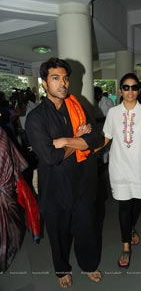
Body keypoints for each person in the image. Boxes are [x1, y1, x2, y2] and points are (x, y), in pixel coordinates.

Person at [25, 57, 102, 288]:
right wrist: (80, 141)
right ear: (44, 84)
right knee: (58, 234)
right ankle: (61, 270)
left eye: (65, 78)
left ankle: (88, 265)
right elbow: (51, 157)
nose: (63, 83)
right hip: (55, 187)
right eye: (55, 78)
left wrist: (67, 140)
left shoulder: (76, 107)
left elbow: (95, 138)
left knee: (86, 228)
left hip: (82, 182)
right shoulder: (35, 118)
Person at [96, 73, 141, 268]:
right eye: (126, 87)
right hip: (119, 168)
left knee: (137, 204)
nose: (130, 91)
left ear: (139, 90)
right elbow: (106, 138)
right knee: (124, 208)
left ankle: (131, 227)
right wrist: (89, 150)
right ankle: (125, 247)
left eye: (133, 87)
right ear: (120, 90)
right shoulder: (113, 112)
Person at [0, 127, 40, 273]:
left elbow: (12, 155)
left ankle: (9, 251)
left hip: (8, 189)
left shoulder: (2, 134)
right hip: (7, 188)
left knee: (13, 226)